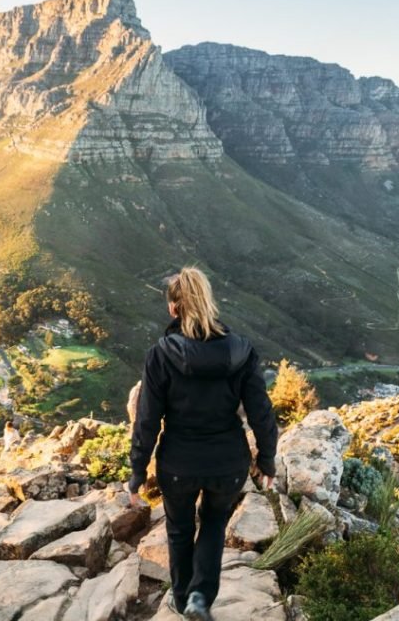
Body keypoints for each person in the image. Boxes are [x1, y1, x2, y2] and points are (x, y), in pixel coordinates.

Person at [127, 266, 278, 621]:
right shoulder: (241, 351)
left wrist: (137, 473)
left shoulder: (161, 355)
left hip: (178, 462)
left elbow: (147, 420)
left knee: (179, 530)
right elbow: (261, 413)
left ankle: (184, 603)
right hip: (228, 462)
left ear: (173, 309)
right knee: (213, 523)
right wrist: (267, 462)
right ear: (210, 303)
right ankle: (200, 597)